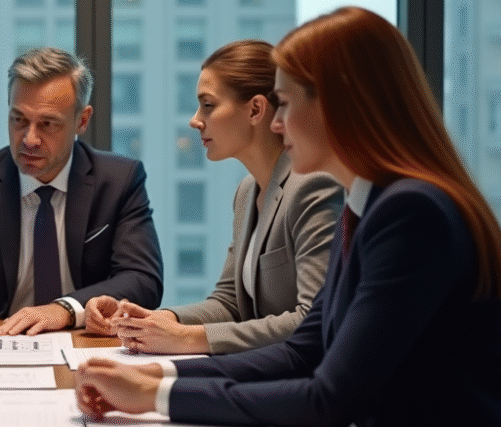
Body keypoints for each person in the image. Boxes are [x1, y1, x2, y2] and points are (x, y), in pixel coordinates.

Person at [76, 6, 501, 427]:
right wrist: (157, 376)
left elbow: (328, 397)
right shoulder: (367, 204)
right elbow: (302, 351)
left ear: (338, 105)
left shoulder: (411, 213)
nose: (276, 122)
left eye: (285, 103)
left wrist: (156, 398)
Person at [85, 40, 341, 354]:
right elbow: (229, 302)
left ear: (256, 110)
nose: (195, 119)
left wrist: (188, 338)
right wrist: (156, 319)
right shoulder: (247, 192)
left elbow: (312, 320)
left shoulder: (311, 187)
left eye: (208, 105)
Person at [0, 47, 163, 336]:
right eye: (18, 120)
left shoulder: (119, 181)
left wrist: (65, 309)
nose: (29, 139)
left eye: (48, 124)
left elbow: (142, 279)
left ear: (82, 121)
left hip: (86, 343)